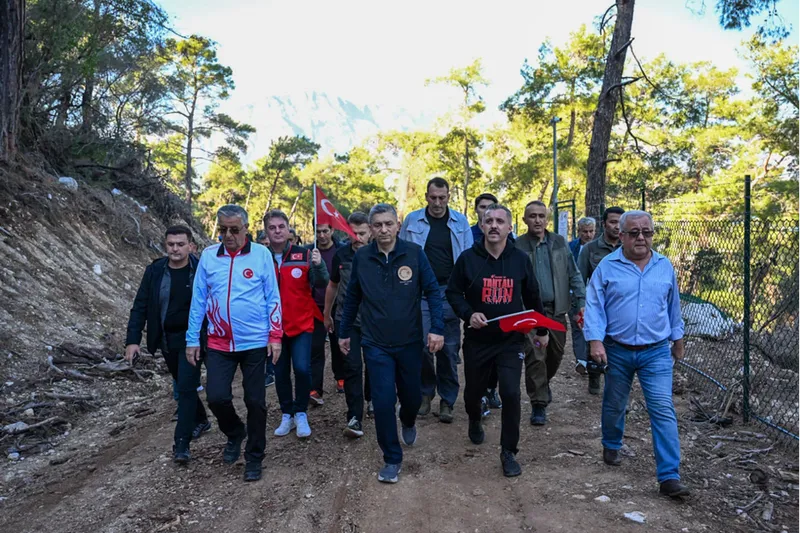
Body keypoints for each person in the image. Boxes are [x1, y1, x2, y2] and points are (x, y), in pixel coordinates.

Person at [584, 210, 689, 498]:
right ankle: (612, 443)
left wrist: (677, 340)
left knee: (662, 409)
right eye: (634, 232)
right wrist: (595, 341)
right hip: (617, 349)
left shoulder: (665, 267)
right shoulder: (607, 267)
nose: (641, 237)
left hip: (655, 352)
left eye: (647, 232)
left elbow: (673, 307)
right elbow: (594, 306)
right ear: (621, 235)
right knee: (615, 403)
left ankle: (669, 476)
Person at [339, 203, 444, 484]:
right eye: (378, 225)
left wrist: (436, 328)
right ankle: (391, 458)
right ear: (371, 229)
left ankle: (408, 419)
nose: (383, 230)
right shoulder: (362, 258)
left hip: (410, 342)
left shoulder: (414, 253)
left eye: (388, 224)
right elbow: (351, 299)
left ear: (398, 225)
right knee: (383, 402)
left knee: (411, 398)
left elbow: (433, 291)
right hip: (375, 344)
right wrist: (344, 331)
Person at [447, 204, 548, 477]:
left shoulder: (519, 259)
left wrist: (541, 330)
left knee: (511, 394)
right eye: (488, 220)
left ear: (509, 227)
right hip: (478, 340)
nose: (493, 225)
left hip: (510, 341)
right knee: (472, 394)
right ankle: (474, 418)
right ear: (481, 226)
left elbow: (533, 296)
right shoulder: (468, 259)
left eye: (500, 221)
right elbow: (453, 293)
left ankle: (508, 452)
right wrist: (468, 313)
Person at [185, 205, 283, 482]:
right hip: (218, 342)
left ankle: (254, 456)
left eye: (234, 230)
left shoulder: (262, 255)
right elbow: (199, 301)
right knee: (216, 397)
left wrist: (275, 336)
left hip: (254, 341)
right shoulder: (207, 257)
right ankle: (234, 432)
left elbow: (273, 297)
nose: (228, 235)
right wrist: (192, 339)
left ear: (246, 230)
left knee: (256, 402)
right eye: (223, 229)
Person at [125, 226, 212, 464]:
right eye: (171, 244)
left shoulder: (201, 269)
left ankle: (181, 444)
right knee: (184, 385)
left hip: (195, 339)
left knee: (185, 388)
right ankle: (201, 420)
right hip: (167, 339)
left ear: (190, 246)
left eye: (180, 244)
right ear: (165, 245)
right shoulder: (155, 271)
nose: (175, 248)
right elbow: (140, 305)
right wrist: (132, 340)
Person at [399, 177, 473, 423]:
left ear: (449, 196)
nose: (438, 202)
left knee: (449, 349)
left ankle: (447, 400)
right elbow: (402, 254)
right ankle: (425, 393)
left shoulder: (460, 222)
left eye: (442, 197)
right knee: (422, 345)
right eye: (433, 197)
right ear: (426, 196)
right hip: (419, 292)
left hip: (449, 292)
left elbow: (468, 259)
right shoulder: (412, 220)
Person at [515, 201, 585, 426]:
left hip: (556, 311)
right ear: (525, 220)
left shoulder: (559, 243)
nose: (537, 220)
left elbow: (573, 273)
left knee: (555, 355)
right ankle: (538, 404)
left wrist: (581, 301)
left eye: (541, 216)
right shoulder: (518, 246)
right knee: (536, 356)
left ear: (547, 219)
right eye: (532, 216)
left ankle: (542, 386)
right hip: (530, 313)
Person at [265, 209, 329, 439]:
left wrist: (319, 264)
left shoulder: (304, 254)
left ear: (288, 229)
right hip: (274, 328)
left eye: (281, 226)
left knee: (302, 368)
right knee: (280, 372)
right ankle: (287, 414)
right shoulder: (261, 257)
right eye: (272, 228)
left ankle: (301, 411)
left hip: (301, 323)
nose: (277, 231)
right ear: (266, 231)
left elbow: (321, 282)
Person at [323, 212, 373, 438]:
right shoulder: (341, 254)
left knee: (374, 364)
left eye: (362, 233)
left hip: (375, 321)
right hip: (347, 319)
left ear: (370, 231)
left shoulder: (379, 254)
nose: (358, 238)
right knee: (352, 368)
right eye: (353, 233)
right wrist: (327, 313)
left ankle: (372, 399)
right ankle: (354, 416)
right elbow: (332, 285)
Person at [577, 207, 624, 394]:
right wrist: (579, 305)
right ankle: (595, 374)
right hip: (597, 304)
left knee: (619, 346)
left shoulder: (628, 248)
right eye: (613, 222)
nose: (616, 226)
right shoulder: (590, 249)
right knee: (596, 341)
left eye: (620, 222)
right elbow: (580, 278)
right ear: (604, 224)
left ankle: (617, 385)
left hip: (621, 306)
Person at [310, 223, 345, 405]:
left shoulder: (341, 250)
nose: (322, 235)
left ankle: (341, 378)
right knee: (315, 349)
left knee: (338, 346)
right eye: (318, 231)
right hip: (315, 307)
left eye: (325, 231)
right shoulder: (309, 252)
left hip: (338, 307)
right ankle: (315, 389)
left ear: (332, 231)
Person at [568, 217, 596, 391]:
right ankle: (582, 360)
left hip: (595, 296)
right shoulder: (571, 247)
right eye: (584, 231)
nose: (588, 235)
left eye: (591, 231)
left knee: (593, 328)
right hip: (575, 295)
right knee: (578, 326)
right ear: (578, 231)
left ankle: (595, 360)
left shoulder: (600, 248)